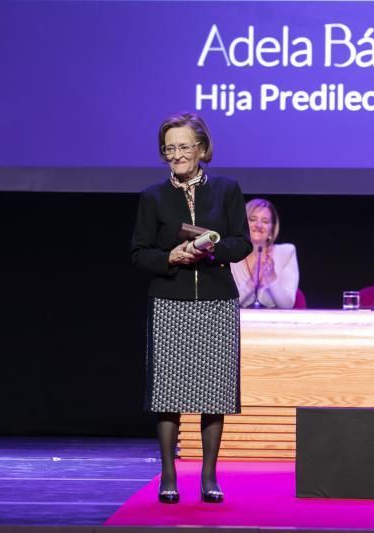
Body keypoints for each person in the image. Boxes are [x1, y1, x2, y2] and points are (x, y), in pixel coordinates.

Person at [130, 112, 252, 504]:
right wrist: (172, 256)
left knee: (213, 392)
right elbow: (139, 254)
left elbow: (242, 243)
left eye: (184, 147)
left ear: (202, 149)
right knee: (168, 393)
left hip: (216, 299)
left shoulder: (227, 190)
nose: (177, 155)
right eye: (170, 149)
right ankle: (168, 475)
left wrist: (213, 250)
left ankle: (209, 476)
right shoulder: (152, 196)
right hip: (170, 300)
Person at [231, 198, 300, 309]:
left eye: (265, 221)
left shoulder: (286, 253)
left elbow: (287, 305)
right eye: (252, 219)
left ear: (271, 229)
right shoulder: (232, 254)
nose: (258, 225)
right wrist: (251, 283)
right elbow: (228, 305)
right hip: (239, 322)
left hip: (274, 323)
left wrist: (272, 279)